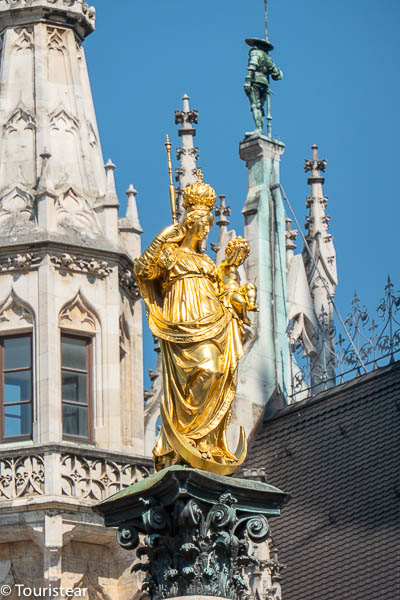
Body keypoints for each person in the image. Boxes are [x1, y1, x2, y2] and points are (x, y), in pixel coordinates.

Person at [133, 170, 254, 474]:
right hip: (181, 323)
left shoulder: (207, 263)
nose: (206, 230)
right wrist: (162, 238)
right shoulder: (170, 256)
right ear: (189, 224)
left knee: (216, 370)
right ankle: (185, 437)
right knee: (198, 374)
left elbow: (225, 290)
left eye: (209, 225)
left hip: (211, 319)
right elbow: (142, 270)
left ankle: (207, 441)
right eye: (202, 225)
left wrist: (233, 276)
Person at [217, 236, 259, 328]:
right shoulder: (225, 265)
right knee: (241, 301)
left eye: (243, 257)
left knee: (251, 286)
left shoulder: (236, 270)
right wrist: (237, 250)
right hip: (228, 292)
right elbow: (230, 261)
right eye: (239, 256)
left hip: (237, 290)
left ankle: (250, 305)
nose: (241, 259)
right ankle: (244, 317)